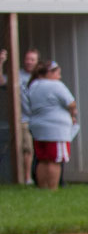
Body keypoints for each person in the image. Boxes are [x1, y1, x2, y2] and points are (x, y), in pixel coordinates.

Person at [26, 60, 77, 191]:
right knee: (55, 160)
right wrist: (73, 114)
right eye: (58, 73)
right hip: (56, 128)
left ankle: (43, 188)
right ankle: (53, 188)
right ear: (49, 73)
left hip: (38, 127)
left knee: (43, 159)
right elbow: (71, 103)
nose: (59, 77)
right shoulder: (56, 85)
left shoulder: (33, 85)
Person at [19, 48, 39, 184]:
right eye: (27, 59)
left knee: (41, 149)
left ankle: (40, 177)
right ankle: (27, 179)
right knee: (28, 149)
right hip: (24, 119)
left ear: (37, 62)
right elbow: (2, 81)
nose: (29, 62)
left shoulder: (41, 78)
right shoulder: (17, 75)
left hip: (40, 119)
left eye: (32, 59)